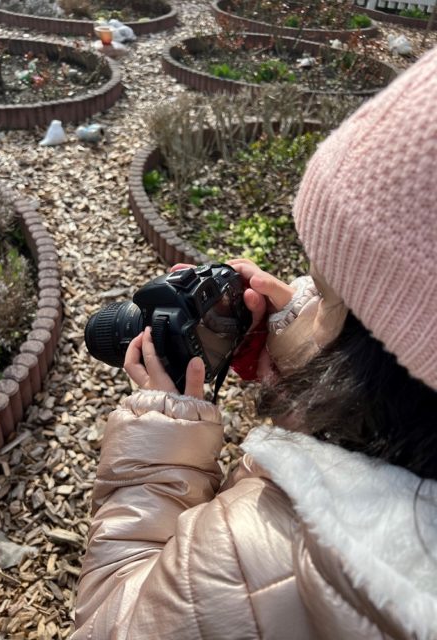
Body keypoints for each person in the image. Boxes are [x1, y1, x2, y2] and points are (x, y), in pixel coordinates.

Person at [71, 47, 437, 639]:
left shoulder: (259, 557)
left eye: (321, 292)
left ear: (384, 361)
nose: (295, 298)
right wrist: (309, 350)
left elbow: (118, 618)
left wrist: (154, 462)